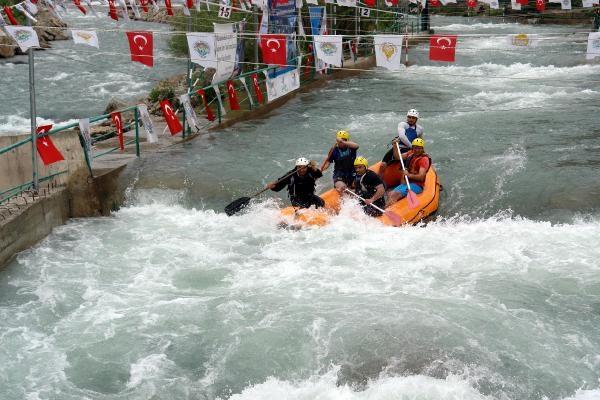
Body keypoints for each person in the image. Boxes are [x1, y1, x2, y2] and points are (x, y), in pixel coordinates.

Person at [379, 109, 424, 177]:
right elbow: (402, 137)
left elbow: (420, 141)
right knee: (382, 165)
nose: (411, 119)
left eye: (413, 118)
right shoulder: (402, 124)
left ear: (416, 119)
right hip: (398, 147)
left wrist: (422, 153)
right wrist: (411, 146)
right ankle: (380, 181)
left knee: (405, 169)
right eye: (409, 117)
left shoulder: (420, 129)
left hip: (408, 150)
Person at [387, 138, 431, 206]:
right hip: (407, 183)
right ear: (412, 147)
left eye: (419, 148)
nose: (417, 150)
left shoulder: (424, 160)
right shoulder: (410, 153)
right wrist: (395, 146)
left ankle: (388, 211)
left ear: (422, 148)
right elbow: (397, 157)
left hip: (417, 185)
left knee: (395, 194)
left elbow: (421, 177)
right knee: (390, 193)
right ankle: (386, 210)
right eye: (415, 148)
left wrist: (409, 175)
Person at [320, 130, 359, 194]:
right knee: (342, 187)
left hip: (352, 173)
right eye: (339, 141)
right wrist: (321, 169)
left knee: (355, 185)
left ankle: (354, 192)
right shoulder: (334, 150)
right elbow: (328, 162)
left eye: (344, 140)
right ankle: (349, 193)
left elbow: (357, 146)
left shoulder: (351, 147)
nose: (341, 143)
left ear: (347, 140)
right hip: (339, 174)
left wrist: (342, 141)